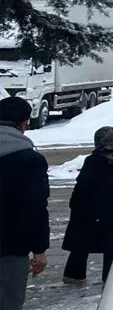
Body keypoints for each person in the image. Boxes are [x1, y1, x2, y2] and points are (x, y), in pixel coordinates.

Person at [61, 126, 113, 286]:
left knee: (82, 240)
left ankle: (75, 275)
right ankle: (111, 276)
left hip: (91, 205)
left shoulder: (94, 161)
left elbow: (83, 185)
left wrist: (75, 203)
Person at [0, 97, 49, 310]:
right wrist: (39, 250)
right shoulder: (31, 161)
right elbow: (35, 208)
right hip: (11, 249)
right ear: (23, 124)